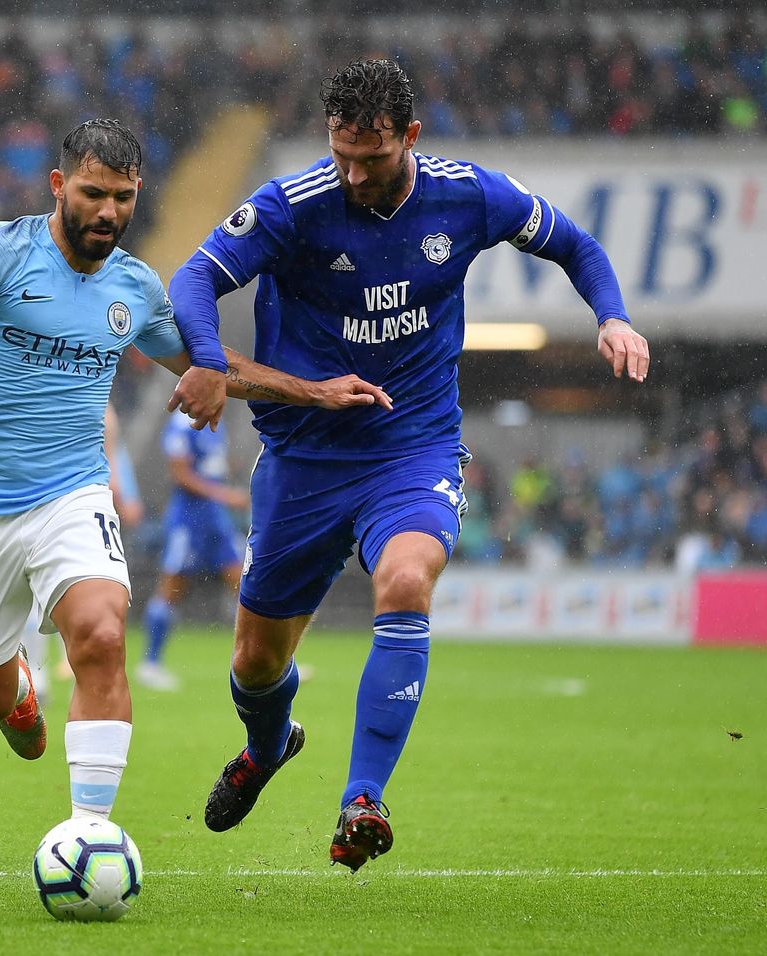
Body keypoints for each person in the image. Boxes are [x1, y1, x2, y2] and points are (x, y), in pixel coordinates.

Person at [167, 59, 650, 871]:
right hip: (304, 457)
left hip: (412, 444)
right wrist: (211, 357)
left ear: (411, 137)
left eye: (374, 157)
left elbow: (576, 244)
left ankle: (362, 800)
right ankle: (267, 745)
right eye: (341, 154)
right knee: (255, 662)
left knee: (405, 580)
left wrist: (612, 316)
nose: (353, 175)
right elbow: (194, 277)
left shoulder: (470, 195)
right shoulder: (296, 204)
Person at [0, 118, 388, 824]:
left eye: (123, 197)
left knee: (102, 634)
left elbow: (215, 367)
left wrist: (318, 391)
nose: (108, 212)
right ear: (59, 186)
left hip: (71, 495)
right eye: (92, 193)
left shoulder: (137, 288)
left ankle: (91, 834)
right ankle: (16, 690)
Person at [135, 409, 249, 692]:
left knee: (244, 584)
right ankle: (150, 664)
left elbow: (209, 467)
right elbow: (181, 475)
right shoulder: (181, 423)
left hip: (215, 518)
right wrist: (225, 494)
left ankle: (263, 663)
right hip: (187, 520)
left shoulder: (214, 421)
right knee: (172, 587)